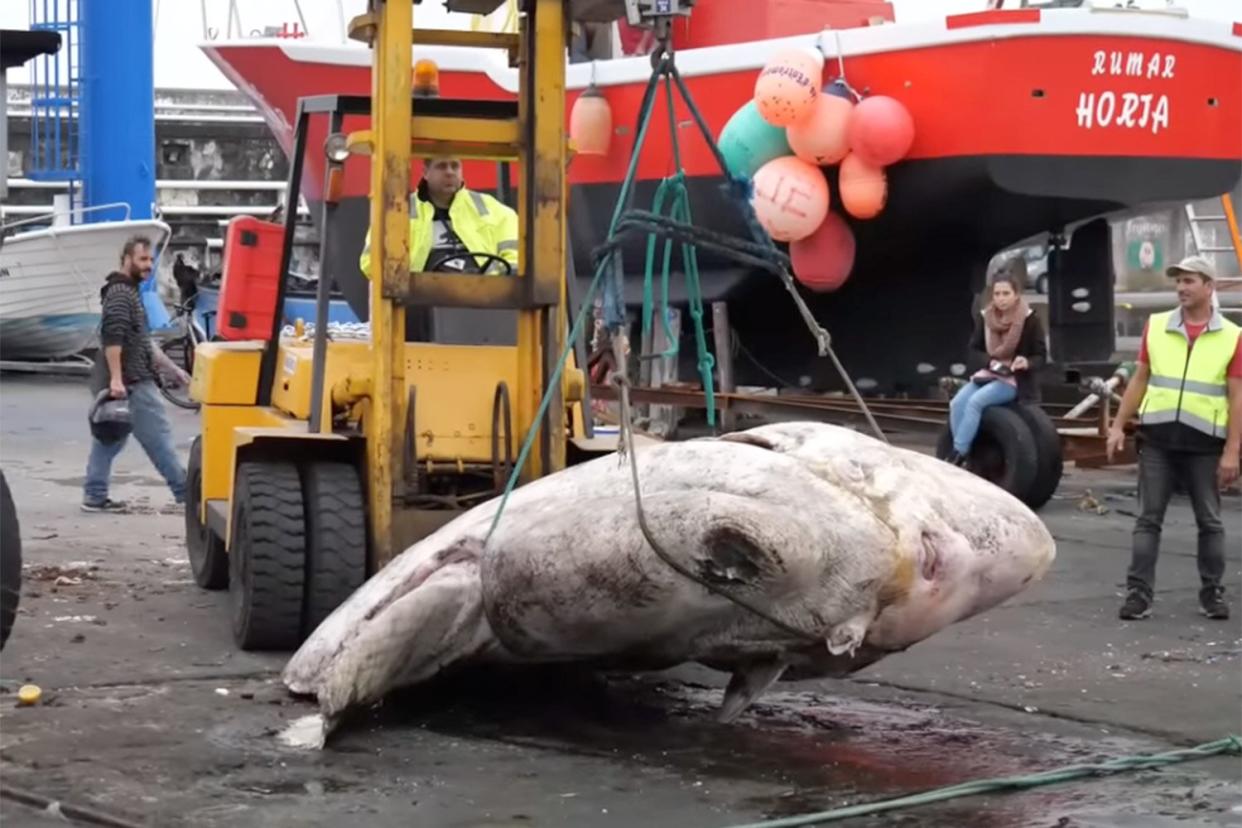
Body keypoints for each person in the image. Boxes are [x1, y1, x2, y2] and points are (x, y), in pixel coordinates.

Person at [1106, 255, 1241, 621]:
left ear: (1208, 286)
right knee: (1148, 519)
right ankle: (1138, 594)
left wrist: (1232, 451)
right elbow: (1140, 378)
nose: (1181, 287)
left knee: (1210, 521)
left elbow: (1236, 396)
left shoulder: (1232, 336)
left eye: (1189, 281)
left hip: (1205, 445)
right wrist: (1119, 425)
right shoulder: (1157, 325)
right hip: (1158, 441)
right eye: (1178, 281)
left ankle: (1212, 594)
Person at [82, 236, 190, 513]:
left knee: (109, 439)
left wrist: (175, 370)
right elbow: (113, 339)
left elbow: (144, 342)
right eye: (143, 259)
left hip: (129, 380)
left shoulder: (129, 292)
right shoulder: (120, 293)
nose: (149, 265)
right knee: (160, 439)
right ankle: (187, 495)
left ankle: (94, 496)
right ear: (127, 259)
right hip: (132, 382)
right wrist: (117, 380)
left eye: (151, 260)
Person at [358, 155, 518, 340]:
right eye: (442, 166)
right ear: (425, 172)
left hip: (482, 299)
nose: (449, 172)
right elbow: (372, 262)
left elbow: (515, 256)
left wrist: (491, 285)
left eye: (455, 166)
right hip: (419, 303)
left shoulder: (492, 209)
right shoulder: (398, 211)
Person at [945, 271, 1047, 465]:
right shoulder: (986, 318)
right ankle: (964, 447)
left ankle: (958, 455)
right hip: (989, 373)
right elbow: (974, 350)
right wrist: (989, 362)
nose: (1001, 299)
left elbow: (1041, 356)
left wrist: (1026, 362)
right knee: (957, 403)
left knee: (976, 401)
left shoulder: (1029, 320)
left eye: (1006, 293)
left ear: (1016, 295)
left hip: (1015, 379)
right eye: (997, 294)